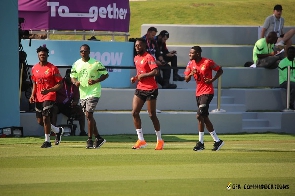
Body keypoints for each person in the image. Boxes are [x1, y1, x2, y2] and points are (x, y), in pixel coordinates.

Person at [184, 46, 224, 151]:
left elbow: (220, 70)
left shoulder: (207, 62)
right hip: (198, 93)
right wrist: (190, 74)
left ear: (198, 53)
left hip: (207, 92)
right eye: (189, 53)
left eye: (191, 53)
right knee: (204, 117)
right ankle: (217, 141)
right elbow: (186, 79)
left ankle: (200, 143)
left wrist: (212, 79)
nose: (189, 55)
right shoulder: (190, 64)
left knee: (199, 115)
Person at [70, 44, 109, 149]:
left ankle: (89, 140)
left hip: (94, 92)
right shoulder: (76, 64)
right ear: (80, 52)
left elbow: (105, 74)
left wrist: (96, 81)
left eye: (85, 51)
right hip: (83, 93)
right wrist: (75, 82)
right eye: (82, 51)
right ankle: (99, 138)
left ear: (89, 52)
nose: (83, 53)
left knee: (89, 114)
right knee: (88, 116)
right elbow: (72, 76)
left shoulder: (96, 63)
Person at [130, 38, 164, 150]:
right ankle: (141, 140)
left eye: (139, 45)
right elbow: (140, 72)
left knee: (151, 115)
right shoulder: (136, 58)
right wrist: (135, 78)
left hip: (151, 89)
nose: (137, 47)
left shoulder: (149, 57)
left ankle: (159, 140)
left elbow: (156, 71)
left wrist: (143, 76)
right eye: (136, 45)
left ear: (144, 46)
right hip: (140, 88)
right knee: (134, 112)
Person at [29, 45, 64, 148]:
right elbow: (35, 83)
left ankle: (47, 141)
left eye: (44, 55)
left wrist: (49, 90)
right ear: (38, 56)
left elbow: (60, 84)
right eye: (40, 55)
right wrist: (32, 95)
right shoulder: (34, 68)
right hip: (38, 96)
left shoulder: (53, 68)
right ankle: (58, 130)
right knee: (40, 121)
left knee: (45, 118)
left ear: (47, 55)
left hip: (49, 95)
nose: (42, 56)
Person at [51, 69, 87, 136]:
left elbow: (76, 97)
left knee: (80, 110)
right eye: (69, 77)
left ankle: (82, 131)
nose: (70, 79)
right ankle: (53, 131)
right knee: (54, 109)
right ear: (66, 76)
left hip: (68, 105)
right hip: (58, 104)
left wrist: (75, 102)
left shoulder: (75, 84)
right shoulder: (60, 82)